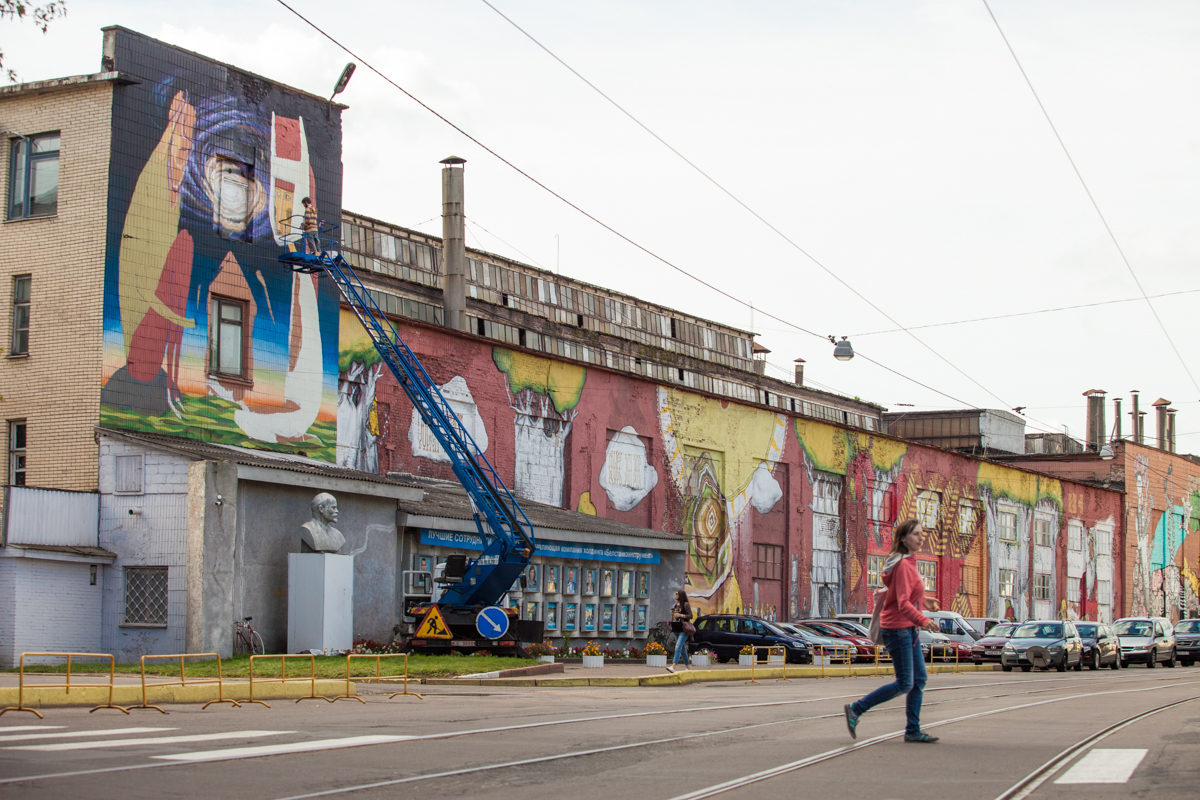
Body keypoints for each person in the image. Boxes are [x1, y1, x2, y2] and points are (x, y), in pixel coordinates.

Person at [844, 519, 941, 743]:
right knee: (906, 682)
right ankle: (856, 709)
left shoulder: (908, 562)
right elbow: (903, 604)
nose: (920, 537)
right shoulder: (904, 565)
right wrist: (924, 620)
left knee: (918, 680)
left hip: (907, 629)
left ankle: (913, 730)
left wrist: (924, 601)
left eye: (921, 534)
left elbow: (898, 594)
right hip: (898, 630)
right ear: (904, 538)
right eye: (916, 534)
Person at [668, 589, 693, 673]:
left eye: (676, 593)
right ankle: (688, 667)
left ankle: (673, 666)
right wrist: (673, 614)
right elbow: (675, 617)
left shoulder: (685, 605)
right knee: (682, 649)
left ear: (680, 596)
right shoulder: (676, 605)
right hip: (676, 629)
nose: (675, 595)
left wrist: (681, 615)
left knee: (678, 647)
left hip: (683, 629)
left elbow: (690, 616)